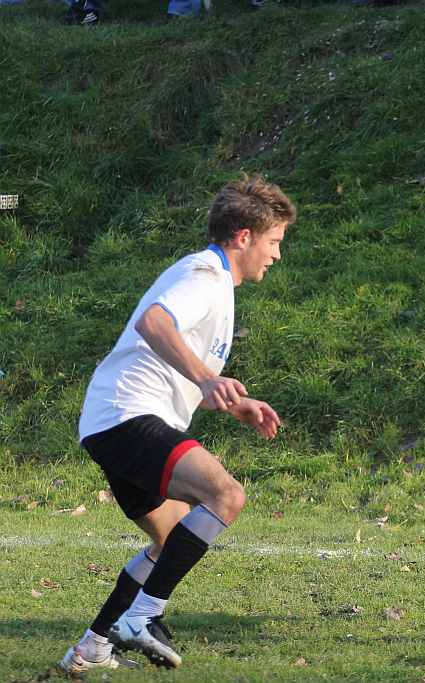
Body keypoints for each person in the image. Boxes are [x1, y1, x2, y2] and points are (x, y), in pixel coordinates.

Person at [58, 175, 296, 674]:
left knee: (169, 541)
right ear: (244, 237)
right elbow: (154, 323)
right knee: (226, 495)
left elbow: (172, 356)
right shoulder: (205, 277)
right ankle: (143, 617)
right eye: (274, 241)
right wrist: (208, 379)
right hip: (128, 417)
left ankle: (92, 645)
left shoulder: (214, 284)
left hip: (113, 421)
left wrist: (230, 401)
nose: (276, 254)